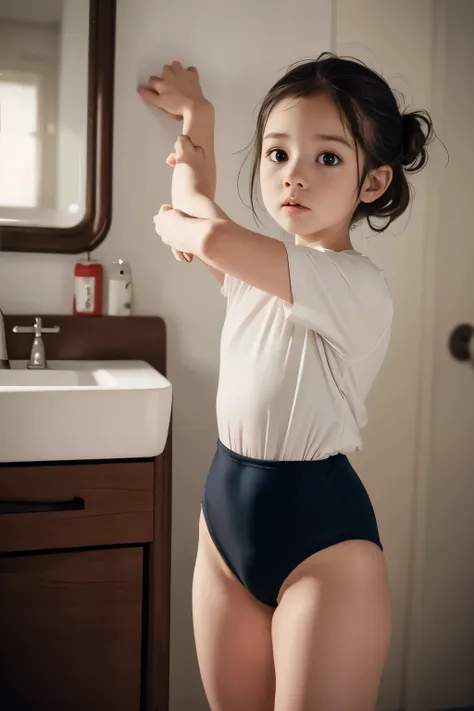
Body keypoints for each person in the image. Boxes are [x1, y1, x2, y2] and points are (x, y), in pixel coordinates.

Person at [138, 53, 434, 711]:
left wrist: (177, 225)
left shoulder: (356, 285)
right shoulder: (255, 273)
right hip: (224, 526)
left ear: (372, 180)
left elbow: (199, 224)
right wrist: (197, 116)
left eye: (327, 158)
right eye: (277, 153)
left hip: (321, 542)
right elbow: (198, 207)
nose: (293, 174)